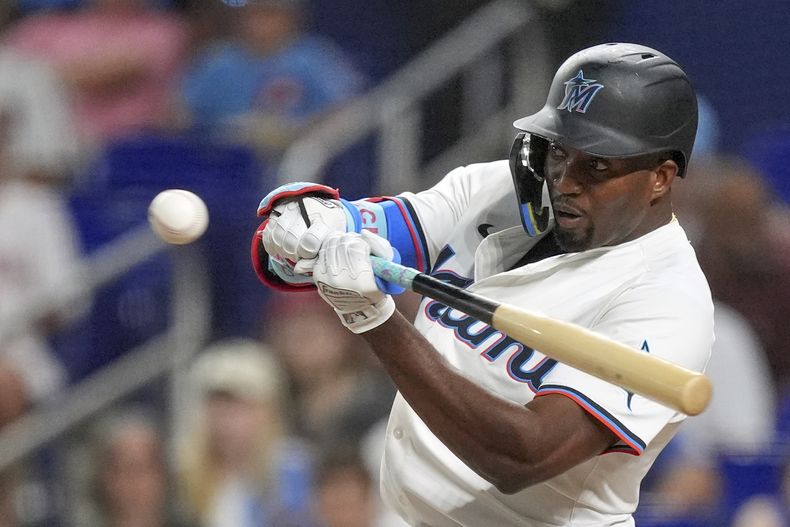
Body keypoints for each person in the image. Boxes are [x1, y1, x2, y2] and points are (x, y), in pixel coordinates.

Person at [252, 43, 713, 526]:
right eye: (559, 151)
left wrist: (376, 323)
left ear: (660, 177)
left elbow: (522, 458)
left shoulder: (668, 302)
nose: (565, 181)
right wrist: (308, 227)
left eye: (597, 165)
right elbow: (318, 246)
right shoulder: (503, 193)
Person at [178, 0, 365, 158]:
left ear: (291, 18)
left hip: (295, 161)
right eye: (253, 14)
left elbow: (348, 112)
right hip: (225, 163)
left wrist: (293, 132)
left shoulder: (314, 58)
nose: (259, 24)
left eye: (269, 15)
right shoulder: (220, 60)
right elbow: (180, 114)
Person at [175, 338, 314, 527]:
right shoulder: (182, 475)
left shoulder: (296, 471)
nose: (225, 421)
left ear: (269, 411)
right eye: (217, 408)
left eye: (239, 408)